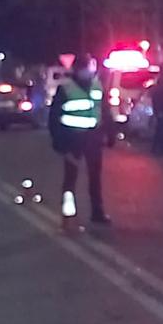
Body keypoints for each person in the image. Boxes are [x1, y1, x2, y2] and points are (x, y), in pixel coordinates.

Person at [48, 53, 110, 226]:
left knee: (95, 178)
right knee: (70, 178)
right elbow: (54, 117)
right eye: (84, 67)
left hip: (93, 138)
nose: (87, 70)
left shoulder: (97, 86)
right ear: (76, 69)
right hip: (72, 139)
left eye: (88, 67)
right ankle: (68, 215)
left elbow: (104, 111)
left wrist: (110, 133)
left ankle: (97, 213)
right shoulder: (66, 88)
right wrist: (58, 141)